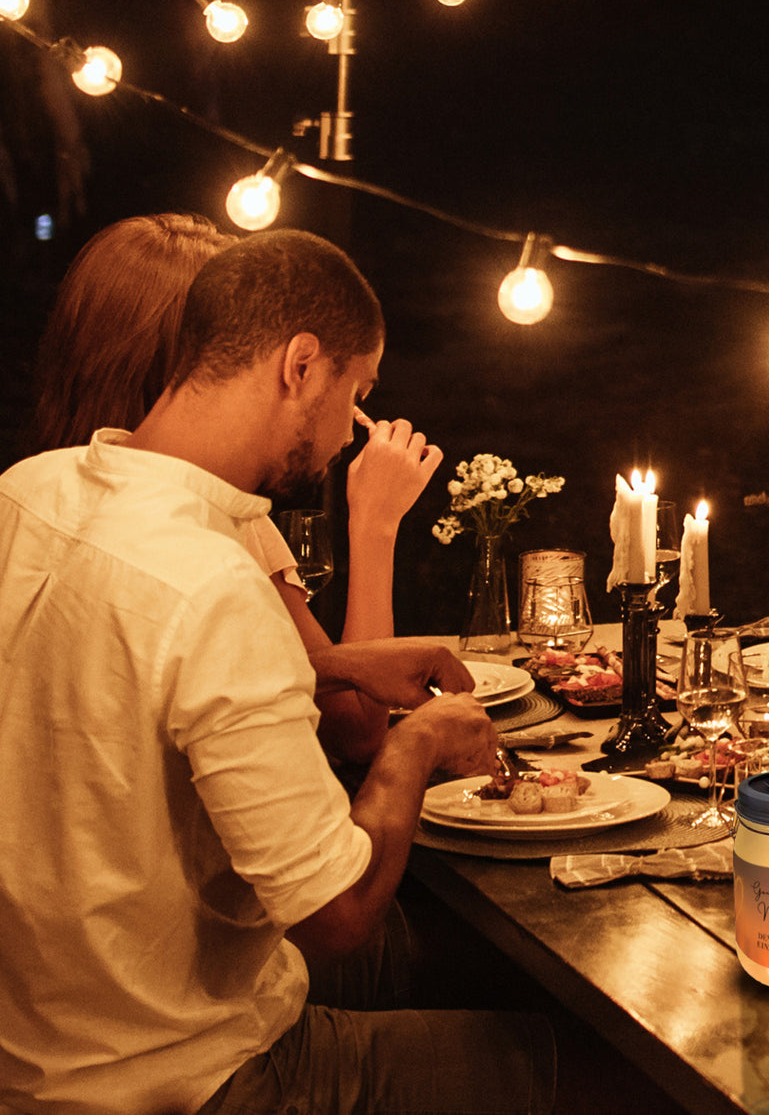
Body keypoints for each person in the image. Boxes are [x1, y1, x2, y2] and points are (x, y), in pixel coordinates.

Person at [0, 229, 554, 1114]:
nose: (349, 432)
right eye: (356, 394)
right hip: (186, 1077)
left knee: (502, 972)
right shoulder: (212, 581)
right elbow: (333, 916)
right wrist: (418, 748)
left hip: (38, 1044)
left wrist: (332, 663)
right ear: (300, 365)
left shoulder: (31, 490)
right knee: (596, 1067)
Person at [27, 213, 450, 762]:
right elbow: (352, 730)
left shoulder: (38, 487)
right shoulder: (216, 534)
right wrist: (375, 523)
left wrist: (337, 665)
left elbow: (141, 686)